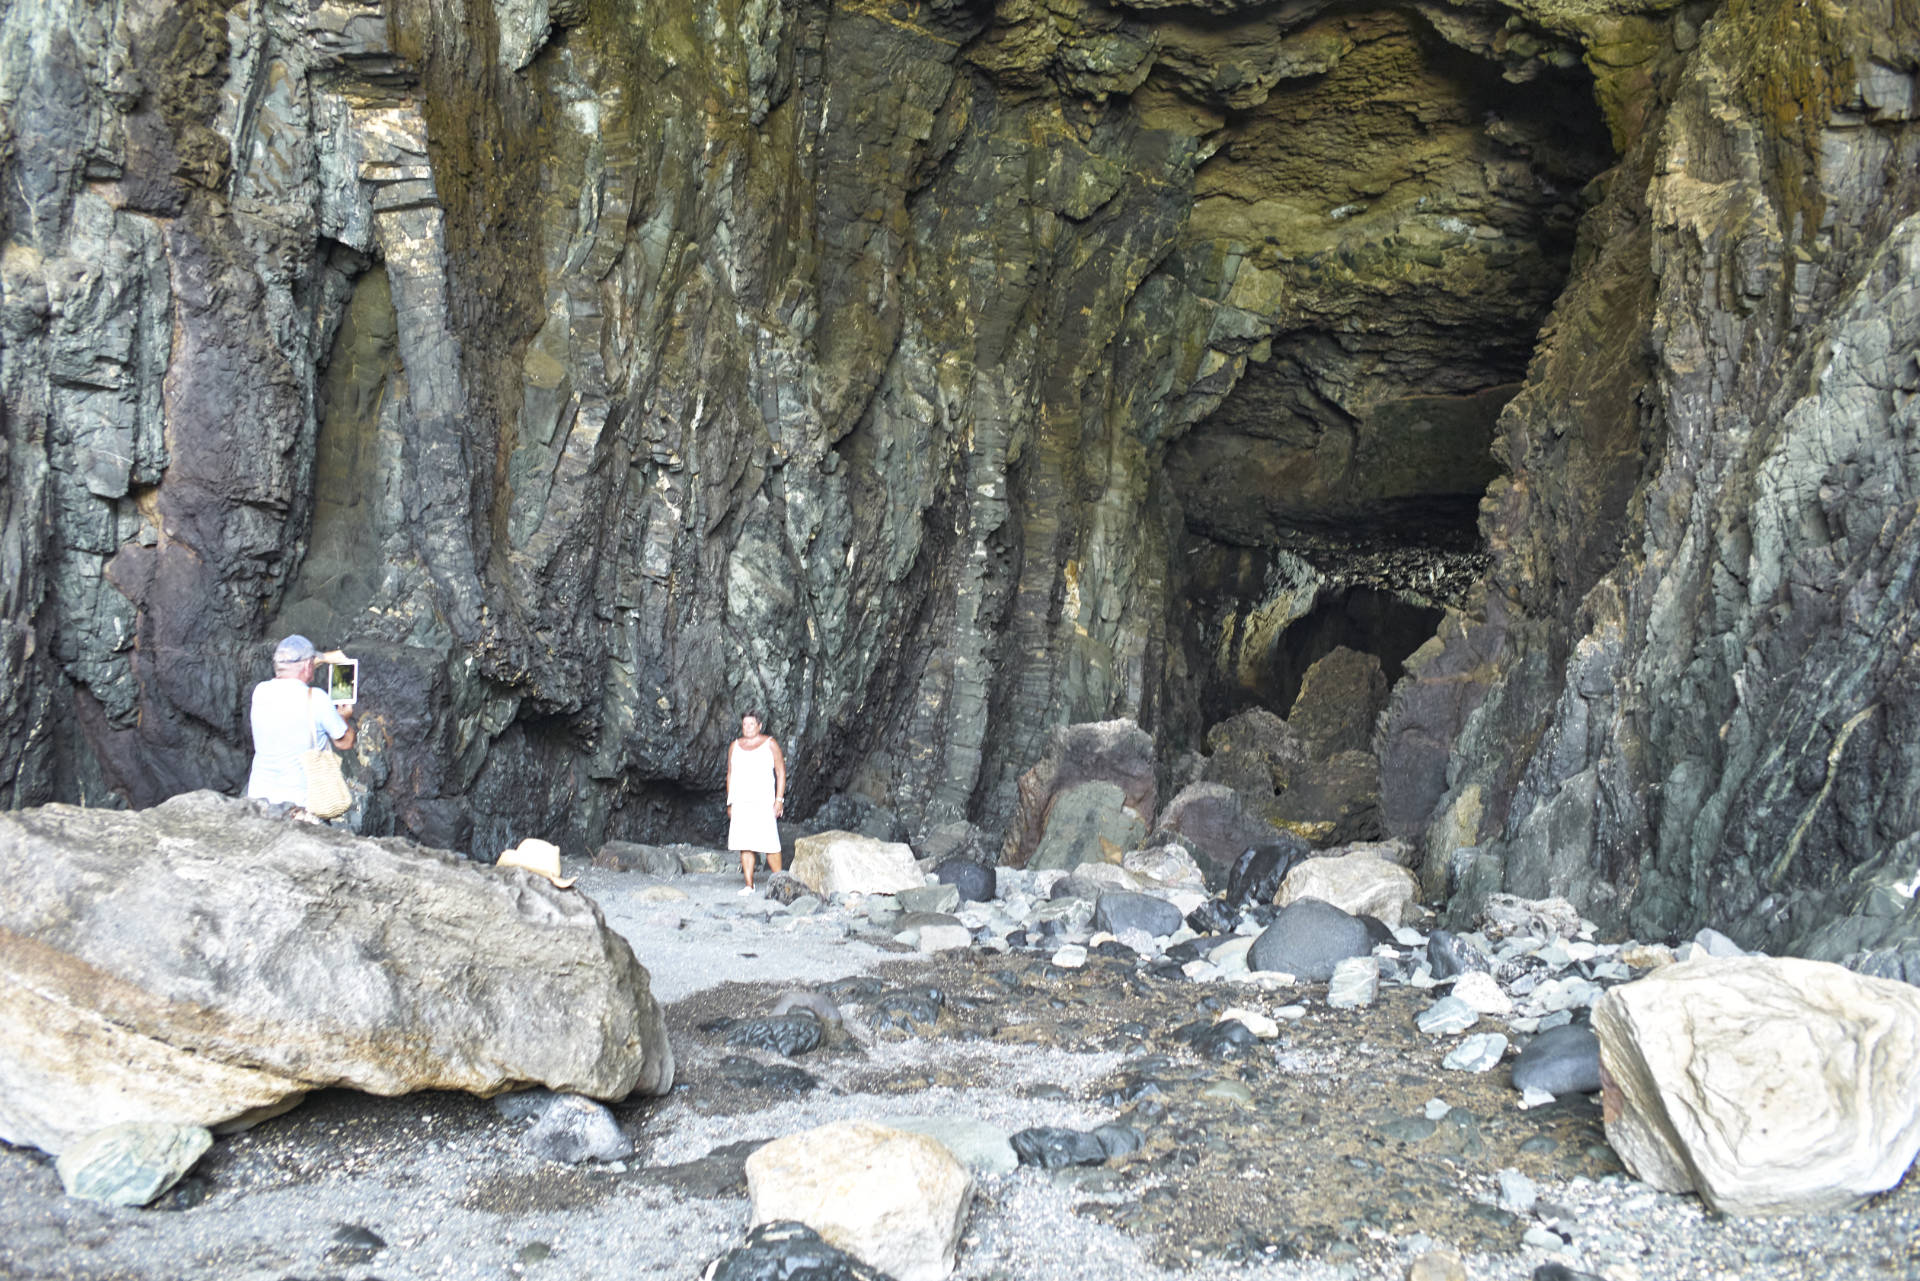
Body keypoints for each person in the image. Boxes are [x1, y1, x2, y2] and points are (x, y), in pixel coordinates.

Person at [246, 634, 356, 815]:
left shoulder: (260, 692)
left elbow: (289, 672)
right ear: (307, 665)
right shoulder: (317, 699)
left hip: (259, 802)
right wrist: (344, 717)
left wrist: (323, 658)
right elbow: (344, 742)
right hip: (298, 805)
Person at [726, 710, 786, 893]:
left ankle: (782, 884)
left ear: (759, 726)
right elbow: (730, 774)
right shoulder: (735, 745)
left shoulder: (770, 743)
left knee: (770, 843)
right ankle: (749, 885)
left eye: (751, 724)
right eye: (745, 724)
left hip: (763, 801)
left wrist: (779, 800)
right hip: (742, 801)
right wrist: (730, 802)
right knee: (745, 843)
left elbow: (780, 772)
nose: (747, 727)